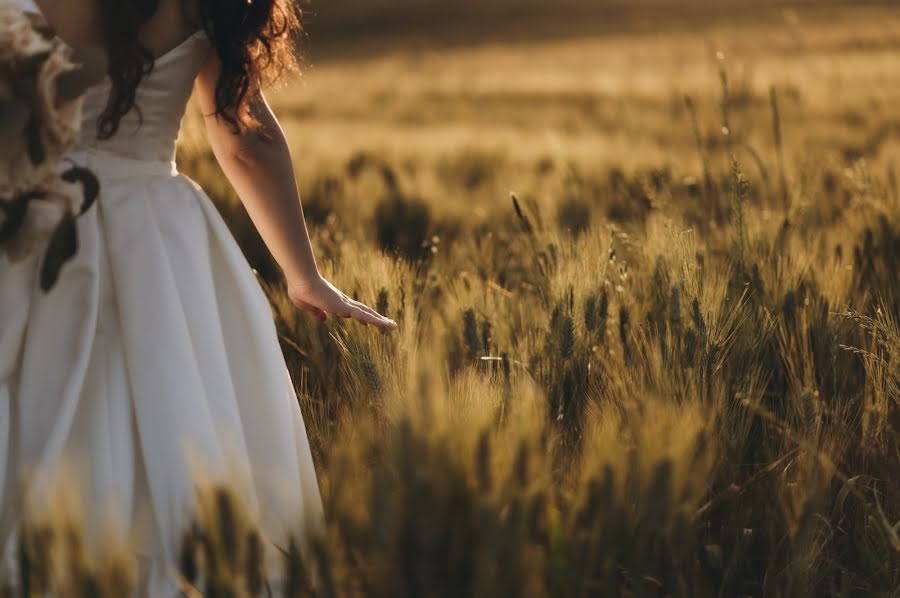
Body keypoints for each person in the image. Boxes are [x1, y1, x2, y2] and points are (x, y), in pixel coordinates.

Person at [0, 0, 397, 593]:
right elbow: (245, 139)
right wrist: (303, 274)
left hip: (25, 234)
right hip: (159, 243)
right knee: (175, 427)